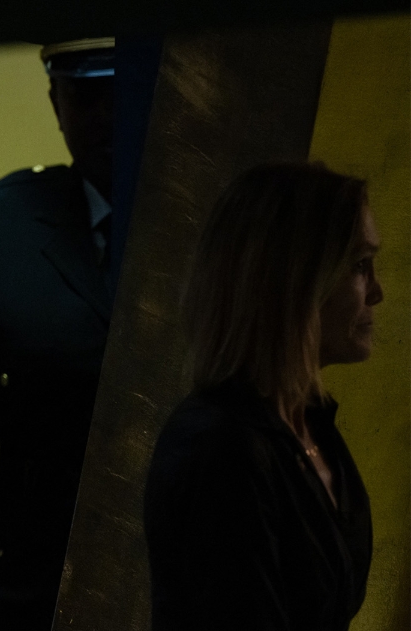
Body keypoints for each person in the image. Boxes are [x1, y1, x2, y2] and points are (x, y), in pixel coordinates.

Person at [0, 38, 114, 628]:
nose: (106, 118)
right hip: (37, 581)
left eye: (120, 92)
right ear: (56, 101)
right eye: (85, 96)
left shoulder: (232, 223)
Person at [144, 162, 380, 631]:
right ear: (295, 279)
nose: (377, 292)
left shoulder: (311, 429)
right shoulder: (222, 446)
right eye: (359, 265)